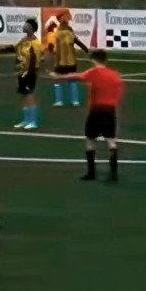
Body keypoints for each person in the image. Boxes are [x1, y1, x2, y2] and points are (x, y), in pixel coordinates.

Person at [59, 49, 126, 181]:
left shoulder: (93, 73)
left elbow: (77, 77)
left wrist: (58, 76)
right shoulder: (114, 75)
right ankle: (113, 173)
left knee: (90, 140)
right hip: (109, 110)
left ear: (94, 60)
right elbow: (118, 92)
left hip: (96, 110)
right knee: (111, 141)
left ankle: (91, 173)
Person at [13, 18, 44, 129]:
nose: (25, 26)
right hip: (22, 72)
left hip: (30, 73)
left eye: (27, 25)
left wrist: (29, 73)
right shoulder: (23, 40)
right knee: (24, 96)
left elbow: (35, 60)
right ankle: (26, 120)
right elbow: (15, 49)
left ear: (32, 28)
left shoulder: (36, 43)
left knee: (30, 95)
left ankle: (33, 121)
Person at [49, 17, 83, 108]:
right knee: (72, 80)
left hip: (61, 62)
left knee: (58, 80)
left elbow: (56, 49)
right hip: (71, 62)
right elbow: (77, 42)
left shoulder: (58, 34)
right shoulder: (71, 35)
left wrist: (53, 56)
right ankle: (75, 101)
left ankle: (59, 101)